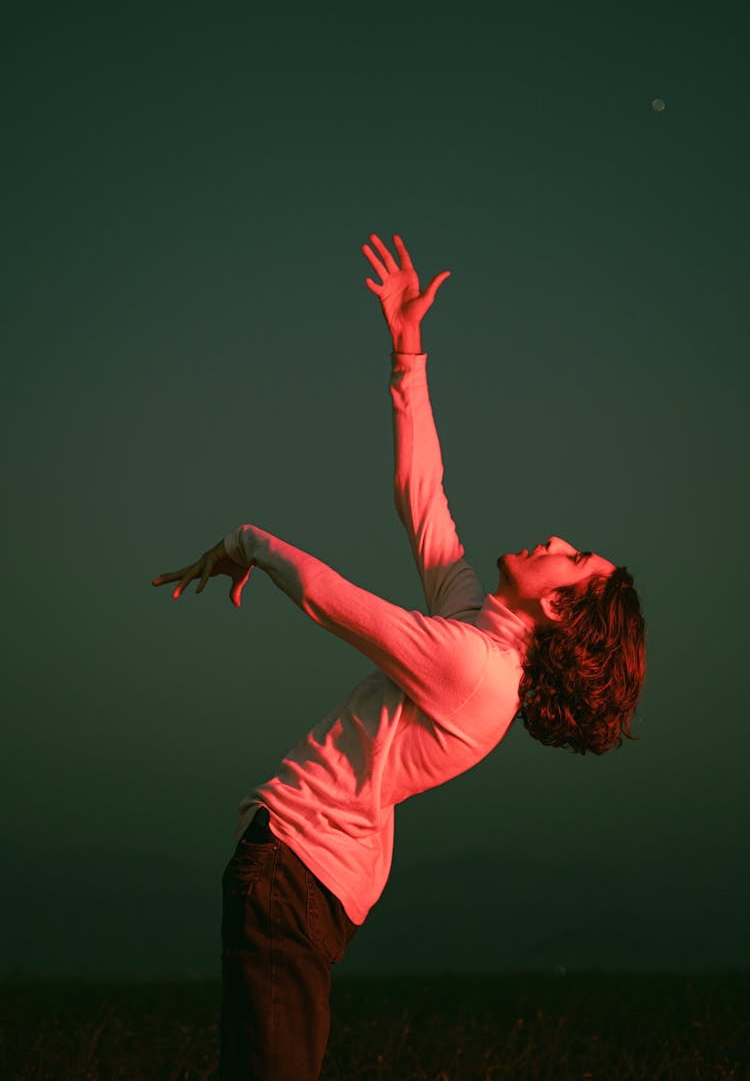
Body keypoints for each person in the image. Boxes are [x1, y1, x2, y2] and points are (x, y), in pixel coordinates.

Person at [152, 233, 646, 1080]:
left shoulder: (476, 668)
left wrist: (247, 540)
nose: (558, 539)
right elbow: (423, 496)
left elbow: (331, 599)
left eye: (576, 558)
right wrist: (407, 348)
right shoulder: (479, 637)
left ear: (560, 604)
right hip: (297, 875)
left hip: (294, 872)